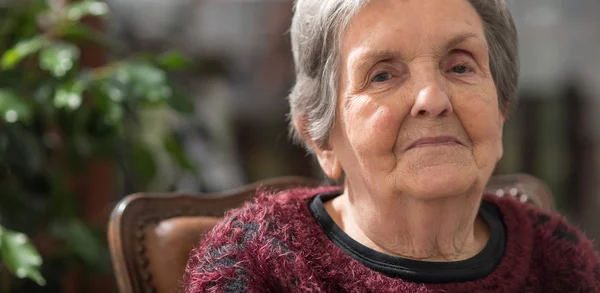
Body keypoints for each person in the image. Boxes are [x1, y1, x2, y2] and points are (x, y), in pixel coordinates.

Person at [183, 0, 600, 292]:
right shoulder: (259, 260)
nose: (432, 99)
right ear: (322, 138)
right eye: (382, 75)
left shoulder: (558, 259)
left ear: (501, 110)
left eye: (460, 66)